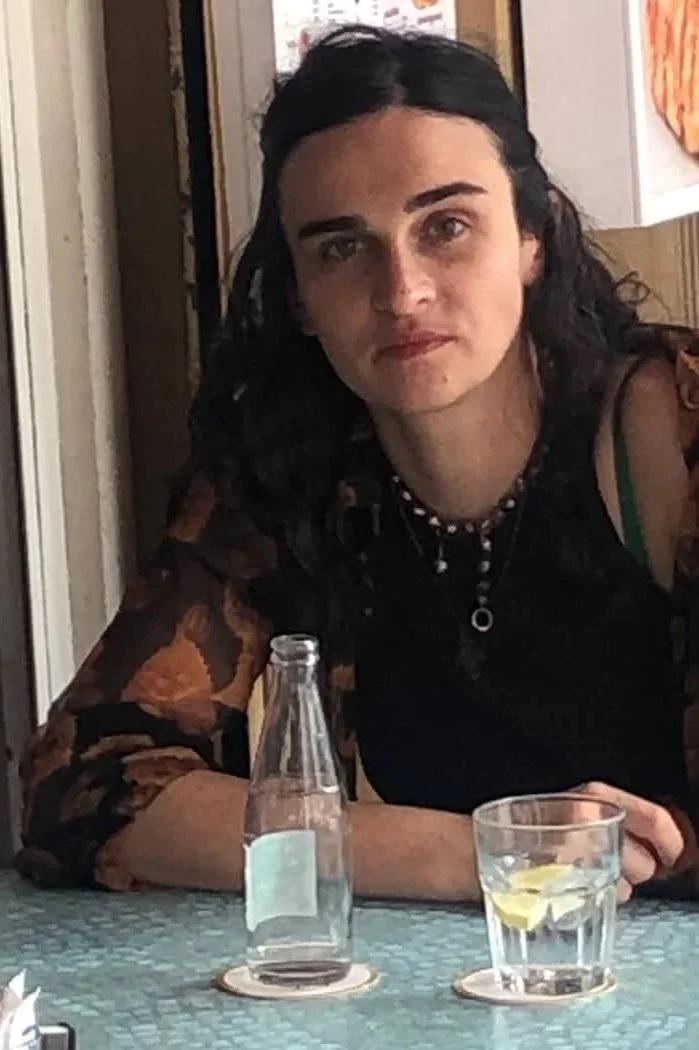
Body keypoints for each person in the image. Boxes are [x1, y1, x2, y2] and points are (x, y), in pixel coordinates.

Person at [17, 27, 699, 900]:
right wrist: (480, 855)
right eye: (342, 246)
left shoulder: (672, 432)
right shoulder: (286, 465)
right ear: (298, 297)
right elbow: (87, 788)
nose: (402, 290)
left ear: (535, 238)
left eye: (446, 226)